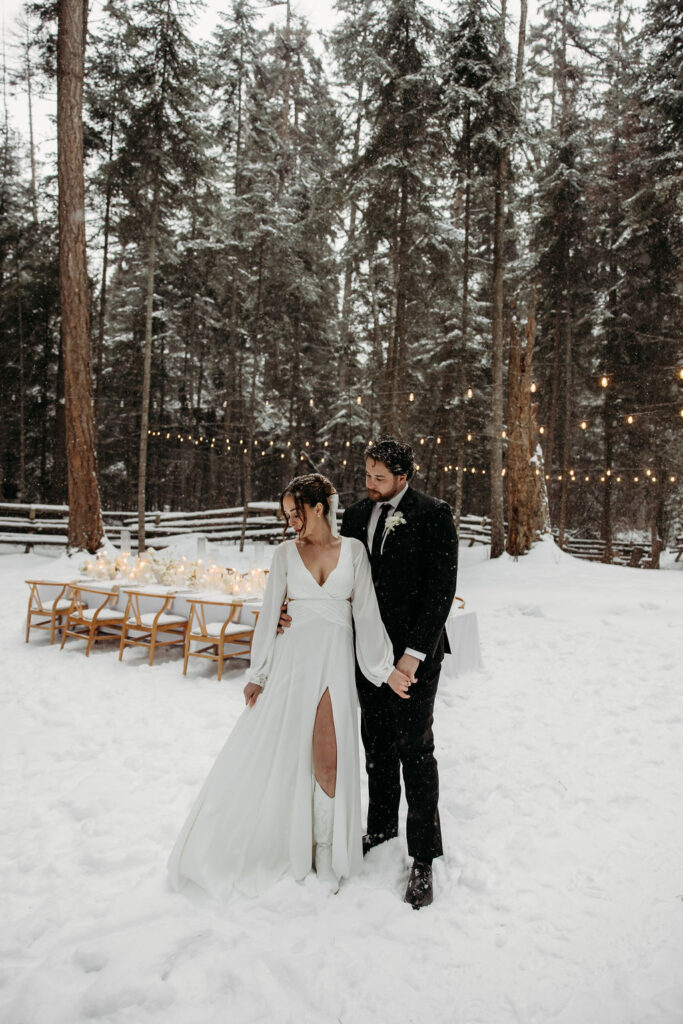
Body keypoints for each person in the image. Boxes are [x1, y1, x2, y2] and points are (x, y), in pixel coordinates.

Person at [168, 473, 412, 900]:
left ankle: (327, 852)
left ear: (319, 508)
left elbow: (368, 615)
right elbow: (267, 615)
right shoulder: (284, 554)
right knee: (286, 755)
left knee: (329, 760)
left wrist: (384, 668)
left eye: (295, 513)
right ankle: (294, 844)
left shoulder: (353, 552)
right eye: (285, 516)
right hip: (292, 663)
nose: (290, 522)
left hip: (334, 664)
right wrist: (258, 673)